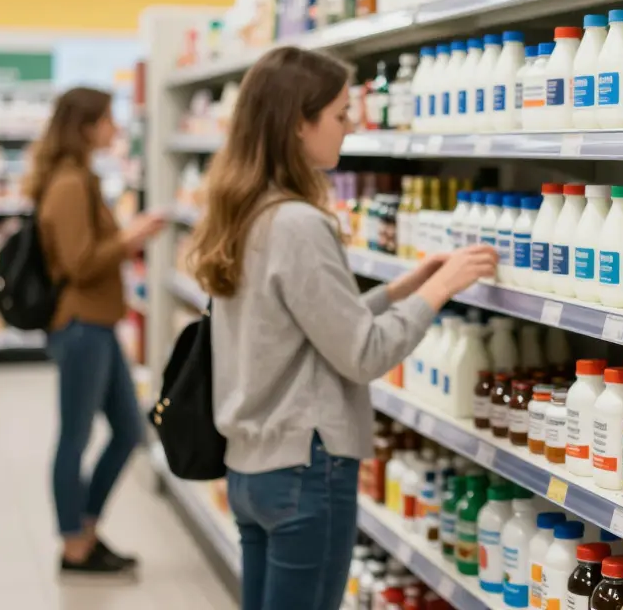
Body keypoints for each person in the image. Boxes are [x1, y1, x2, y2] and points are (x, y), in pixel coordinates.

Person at [189, 47, 497, 610]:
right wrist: (439, 290)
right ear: (297, 124)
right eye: (338, 114)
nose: (349, 125)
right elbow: (362, 352)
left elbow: (298, 325)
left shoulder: (247, 209)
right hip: (305, 469)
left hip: (251, 469)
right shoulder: (300, 223)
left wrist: (402, 288)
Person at [26, 87, 166, 575]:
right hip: (82, 326)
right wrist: (131, 237)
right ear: (86, 126)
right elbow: (80, 263)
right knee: (75, 437)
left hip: (99, 324)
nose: (115, 129)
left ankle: (84, 528)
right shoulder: (68, 184)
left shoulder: (81, 177)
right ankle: (74, 544)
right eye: (109, 120)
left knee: (129, 429)